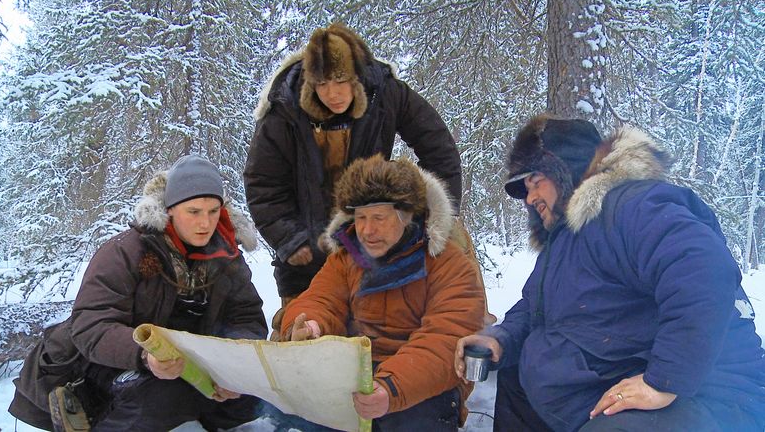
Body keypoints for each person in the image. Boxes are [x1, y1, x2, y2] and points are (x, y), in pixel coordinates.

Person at [454, 114, 765, 431]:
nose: (531, 198)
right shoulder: (565, 242)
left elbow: (703, 271)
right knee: (515, 378)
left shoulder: (632, 205)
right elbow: (534, 307)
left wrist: (663, 380)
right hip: (604, 385)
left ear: (567, 169)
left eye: (536, 183)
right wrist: (500, 340)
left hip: (708, 393)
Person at [244, 22, 494, 340]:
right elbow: (262, 182)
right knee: (301, 331)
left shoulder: (386, 93)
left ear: (357, 76)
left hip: (368, 227)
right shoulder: (284, 111)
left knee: (450, 241)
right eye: (322, 83)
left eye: (340, 81)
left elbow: (438, 148)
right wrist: (289, 239)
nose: (332, 93)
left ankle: (473, 328)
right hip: (310, 246)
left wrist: (422, 212)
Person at [9, 155, 268, 432]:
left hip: (189, 368)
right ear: (170, 209)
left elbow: (247, 317)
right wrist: (145, 356)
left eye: (213, 211)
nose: (205, 223)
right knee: (162, 398)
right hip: (105, 364)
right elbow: (90, 326)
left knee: (250, 398)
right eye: (194, 212)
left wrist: (232, 371)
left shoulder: (227, 258)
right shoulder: (125, 252)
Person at [279, 155, 485, 431]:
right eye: (361, 217)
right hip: (356, 372)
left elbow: (446, 340)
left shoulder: (449, 264)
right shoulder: (346, 258)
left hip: (421, 383)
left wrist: (390, 387)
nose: (366, 230)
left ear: (407, 215)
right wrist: (310, 325)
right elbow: (322, 299)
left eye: (378, 218)